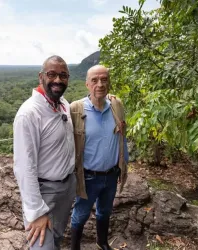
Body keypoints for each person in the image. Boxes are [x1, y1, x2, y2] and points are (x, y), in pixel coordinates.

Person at [13, 55, 76, 250]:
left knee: (56, 238)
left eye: (63, 75)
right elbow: (24, 167)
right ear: (41, 77)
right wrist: (36, 212)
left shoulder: (63, 104)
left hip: (66, 187)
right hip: (44, 192)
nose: (58, 80)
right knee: (42, 246)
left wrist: (104, 97)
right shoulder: (29, 114)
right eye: (52, 74)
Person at [70, 65, 129, 250]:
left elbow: (122, 136)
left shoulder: (116, 106)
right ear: (87, 84)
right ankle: (74, 247)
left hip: (111, 173)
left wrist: (123, 165)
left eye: (104, 79)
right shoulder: (76, 110)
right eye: (94, 80)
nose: (100, 84)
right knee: (80, 214)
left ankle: (102, 242)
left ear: (109, 82)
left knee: (105, 211)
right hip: (88, 176)